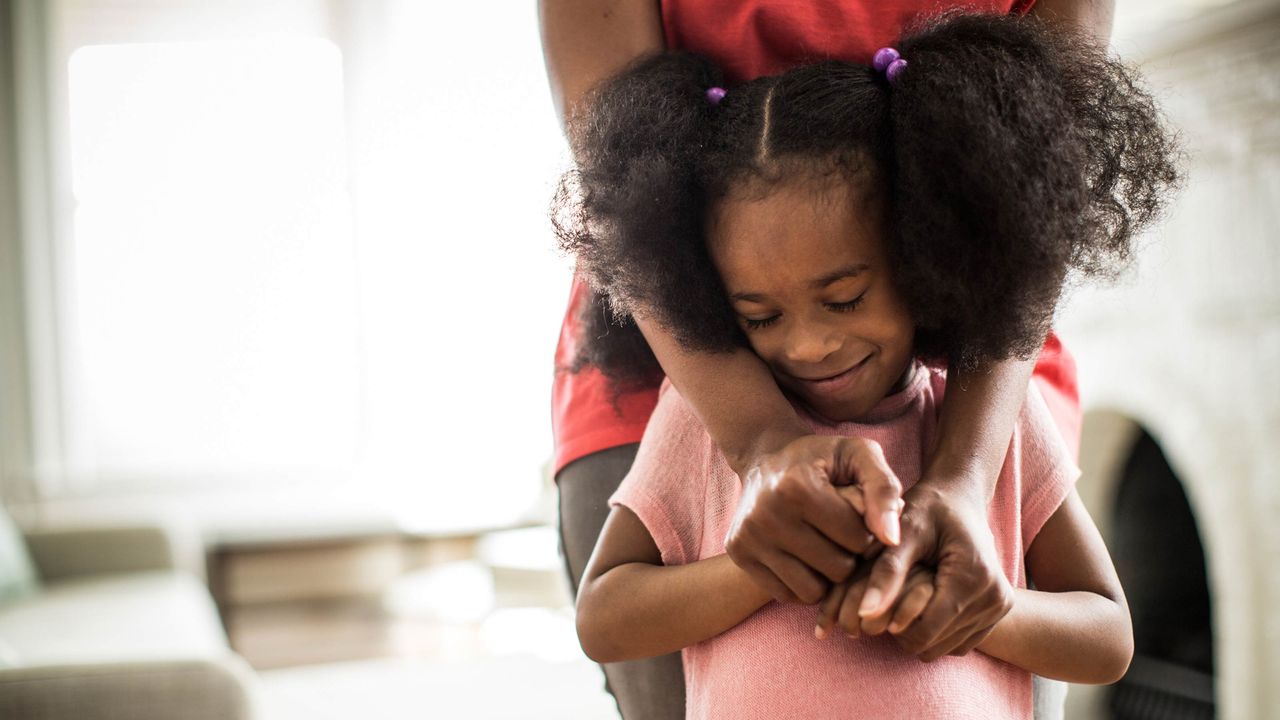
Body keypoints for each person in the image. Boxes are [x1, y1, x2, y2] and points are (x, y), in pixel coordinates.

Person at [561, 12, 1180, 719]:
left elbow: (1106, 633)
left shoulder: (997, 424)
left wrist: (987, 607)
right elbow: (605, 616)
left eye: (846, 298)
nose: (809, 345)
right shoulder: (694, 423)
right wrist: (763, 566)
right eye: (760, 315)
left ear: (925, 259)